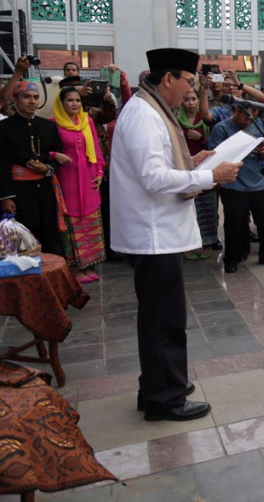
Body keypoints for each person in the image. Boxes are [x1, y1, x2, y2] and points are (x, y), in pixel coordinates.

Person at [110, 48, 240, 422]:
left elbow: (158, 165)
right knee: (164, 319)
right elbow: (153, 178)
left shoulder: (150, 108)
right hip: (153, 234)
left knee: (160, 315)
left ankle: (158, 384)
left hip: (157, 232)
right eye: (188, 81)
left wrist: (193, 162)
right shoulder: (144, 115)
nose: (191, 91)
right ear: (168, 78)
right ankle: (164, 399)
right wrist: (209, 176)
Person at [209, 102, 264, 273]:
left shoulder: (256, 126)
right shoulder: (221, 128)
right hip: (233, 184)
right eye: (246, 116)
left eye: (253, 116)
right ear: (235, 110)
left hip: (257, 181)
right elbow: (214, 156)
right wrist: (243, 150)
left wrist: (263, 153)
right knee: (235, 224)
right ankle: (232, 259)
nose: (249, 121)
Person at [0, 80, 64, 255]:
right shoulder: (4, 128)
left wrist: (47, 169)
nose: (32, 101)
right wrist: (6, 196)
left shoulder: (48, 126)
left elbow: (57, 155)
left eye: (36, 97)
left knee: (50, 234)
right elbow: (2, 163)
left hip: (45, 190)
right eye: (26, 97)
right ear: (15, 100)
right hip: (19, 191)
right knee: (24, 237)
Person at [51, 86, 106, 282]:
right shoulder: (53, 124)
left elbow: (96, 150)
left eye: (77, 100)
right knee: (72, 222)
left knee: (90, 219)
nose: (74, 104)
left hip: (89, 178)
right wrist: (55, 155)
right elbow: (45, 150)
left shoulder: (87, 121)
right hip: (68, 179)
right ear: (61, 103)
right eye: (70, 100)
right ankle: (75, 269)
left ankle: (88, 265)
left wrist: (99, 172)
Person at [177, 90, 217, 260]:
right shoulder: (176, 120)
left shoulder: (206, 120)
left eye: (194, 99)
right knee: (187, 209)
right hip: (184, 168)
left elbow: (213, 146)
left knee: (207, 208)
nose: (191, 103)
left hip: (205, 169)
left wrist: (200, 138)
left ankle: (207, 243)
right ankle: (188, 245)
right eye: (186, 99)